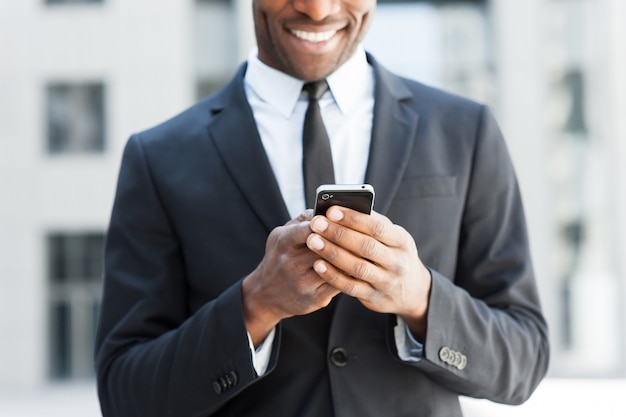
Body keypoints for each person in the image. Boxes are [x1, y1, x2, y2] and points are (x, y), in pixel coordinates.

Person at [95, 1, 550, 416]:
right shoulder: (158, 158)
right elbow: (123, 395)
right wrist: (255, 305)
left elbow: (524, 359)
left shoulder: (466, 133)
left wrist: (420, 299)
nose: (317, 9)